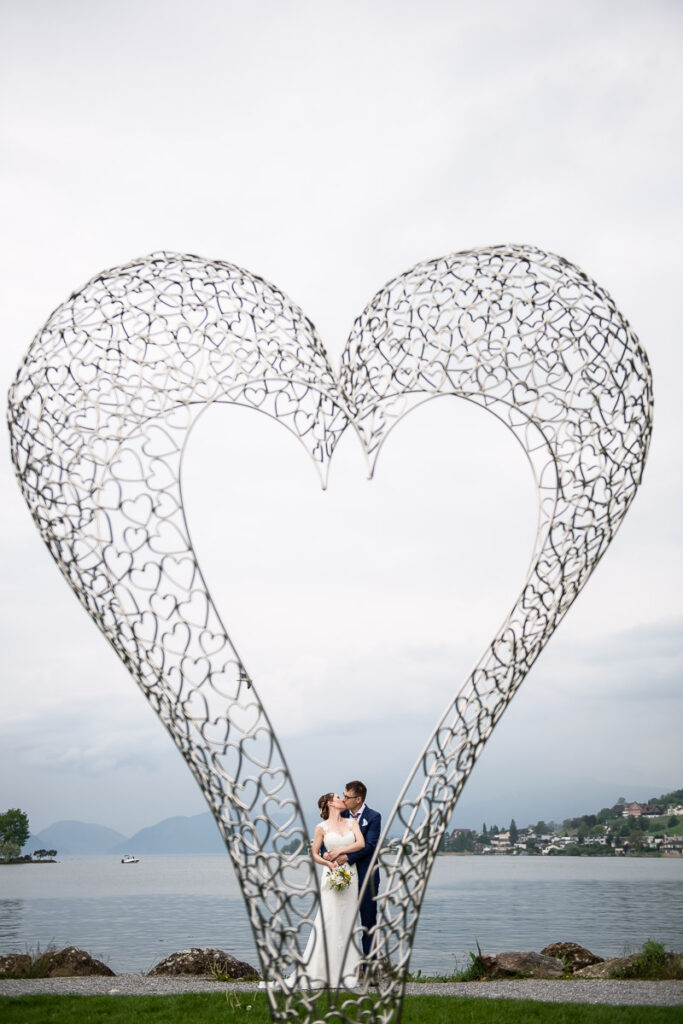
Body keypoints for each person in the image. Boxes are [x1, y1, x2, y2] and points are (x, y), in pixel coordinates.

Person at [291, 792, 366, 988]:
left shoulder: (352, 823)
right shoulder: (321, 828)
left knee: (348, 920)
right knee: (329, 919)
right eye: (338, 797)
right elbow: (315, 853)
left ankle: (347, 972)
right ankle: (321, 971)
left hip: (350, 873)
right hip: (331, 874)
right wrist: (328, 863)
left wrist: (341, 851)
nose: (343, 799)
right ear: (331, 804)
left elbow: (361, 843)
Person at [324, 780, 381, 975]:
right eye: (344, 795)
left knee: (368, 923)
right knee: (341, 922)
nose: (344, 799)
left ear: (358, 799)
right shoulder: (341, 815)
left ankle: (370, 969)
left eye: (347, 796)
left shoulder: (373, 817)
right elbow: (328, 836)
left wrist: (346, 857)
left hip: (366, 877)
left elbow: (370, 845)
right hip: (343, 877)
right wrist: (326, 854)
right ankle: (341, 968)